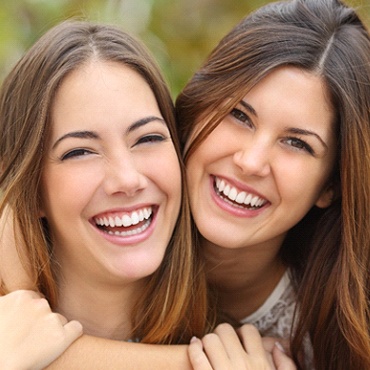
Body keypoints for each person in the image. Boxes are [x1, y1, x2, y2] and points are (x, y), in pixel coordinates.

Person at [2, 0, 369, 368]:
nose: (250, 161)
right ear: (191, 115)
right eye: (238, 115)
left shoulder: (306, 334)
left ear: (331, 185)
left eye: (297, 143)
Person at [0, 20, 211, 368]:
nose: (126, 179)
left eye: (148, 138)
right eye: (80, 151)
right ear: (31, 189)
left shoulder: (243, 349)